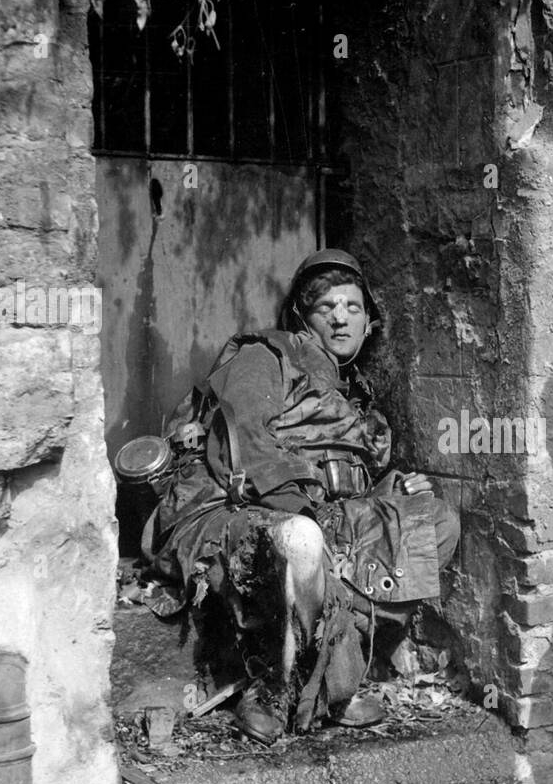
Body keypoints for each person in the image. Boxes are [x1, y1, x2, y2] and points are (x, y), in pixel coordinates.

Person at [141, 248, 460, 743]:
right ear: (302, 315)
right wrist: (304, 507)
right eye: (326, 306)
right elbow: (241, 436)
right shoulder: (266, 355)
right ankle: (277, 685)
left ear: (368, 322)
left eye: (353, 308)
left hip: (325, 513)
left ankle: (334, 660)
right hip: (249, 505)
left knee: (434, 520)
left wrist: (388, 491)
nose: (341, 317)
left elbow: (347, 476)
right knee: (301, 539)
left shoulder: (354, 394)